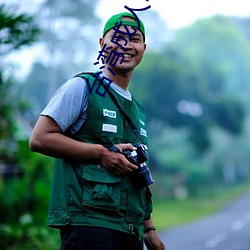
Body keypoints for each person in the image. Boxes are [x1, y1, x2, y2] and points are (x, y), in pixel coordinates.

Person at [29, 11, 165, 250]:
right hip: (89, 225)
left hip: (130, 229)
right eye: (118, 38)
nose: (126, 45)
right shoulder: (82, 87)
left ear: (143, 48)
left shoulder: (138, 108)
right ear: (102, 45)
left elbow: (137, 170)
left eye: (134, 39)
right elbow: (40, 138)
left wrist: (149, 228)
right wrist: (102, 153)